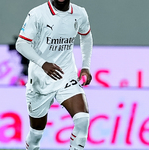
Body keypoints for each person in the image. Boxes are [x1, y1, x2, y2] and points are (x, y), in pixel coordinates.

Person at [16, 0, 93, 149]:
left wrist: (86, 66)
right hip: (40, 79)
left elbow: (86, 37)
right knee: (36, 133)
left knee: (82, 119)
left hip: (66, 74)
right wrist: (43, 64)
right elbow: (21, 44)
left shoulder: (80, 13)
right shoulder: (37, 14)